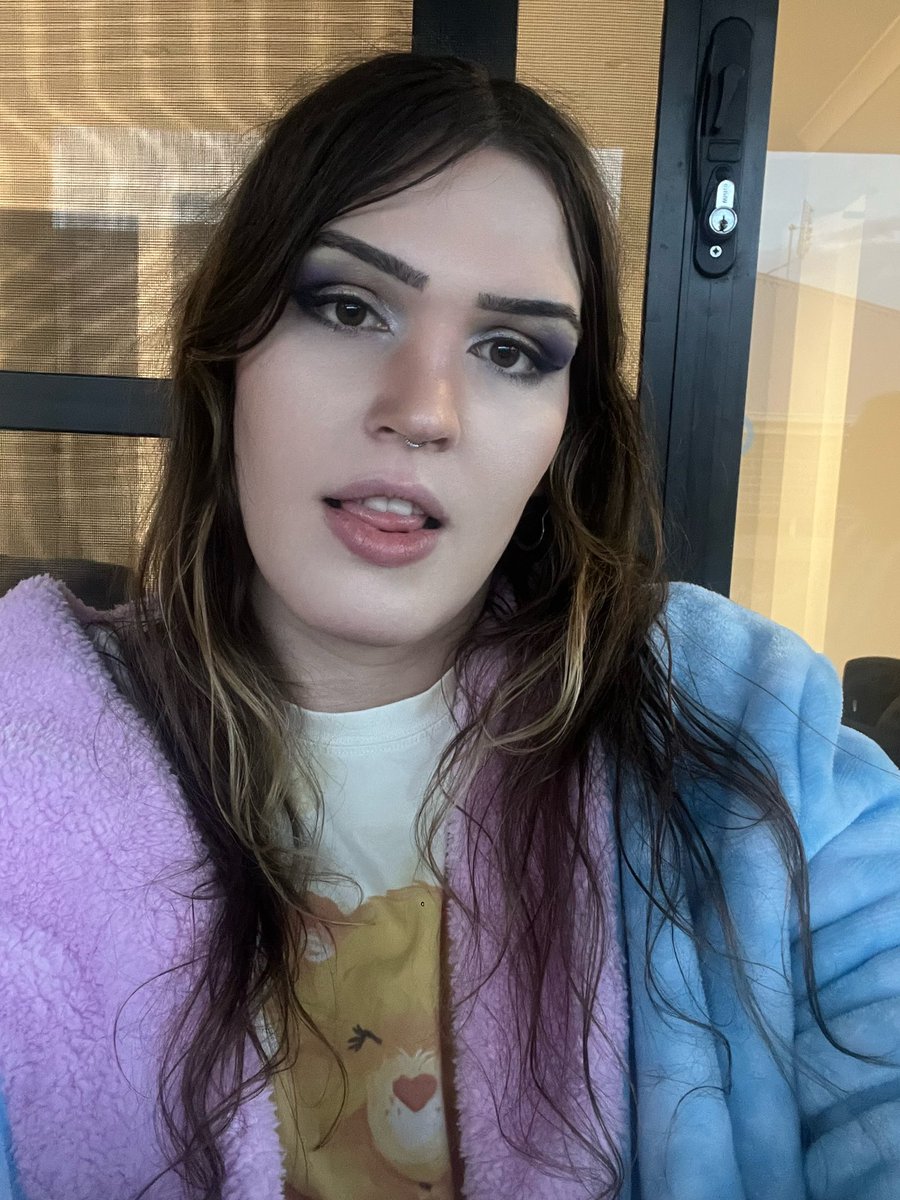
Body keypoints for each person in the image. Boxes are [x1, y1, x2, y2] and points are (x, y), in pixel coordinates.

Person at [1, 51, 899, 1200]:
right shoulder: (22, 753)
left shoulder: (742, 733)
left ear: (564, 435)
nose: (423, 411)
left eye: (511, 351)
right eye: (347, 307)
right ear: (228, 356)